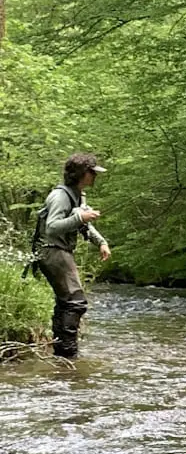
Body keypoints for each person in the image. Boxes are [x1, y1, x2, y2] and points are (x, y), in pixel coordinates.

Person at [35, 153, 112, 360]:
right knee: (75, 302)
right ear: (81, 173)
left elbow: (82, 224)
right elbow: (52, 227)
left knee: (65, 302)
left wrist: (101, 242)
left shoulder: (78, 195)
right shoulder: (60, 196)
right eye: (92, 172)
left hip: (59, 252)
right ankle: (68, 353)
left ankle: (61, 353)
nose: (95, 176)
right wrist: (80, 217)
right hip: (52, 251)